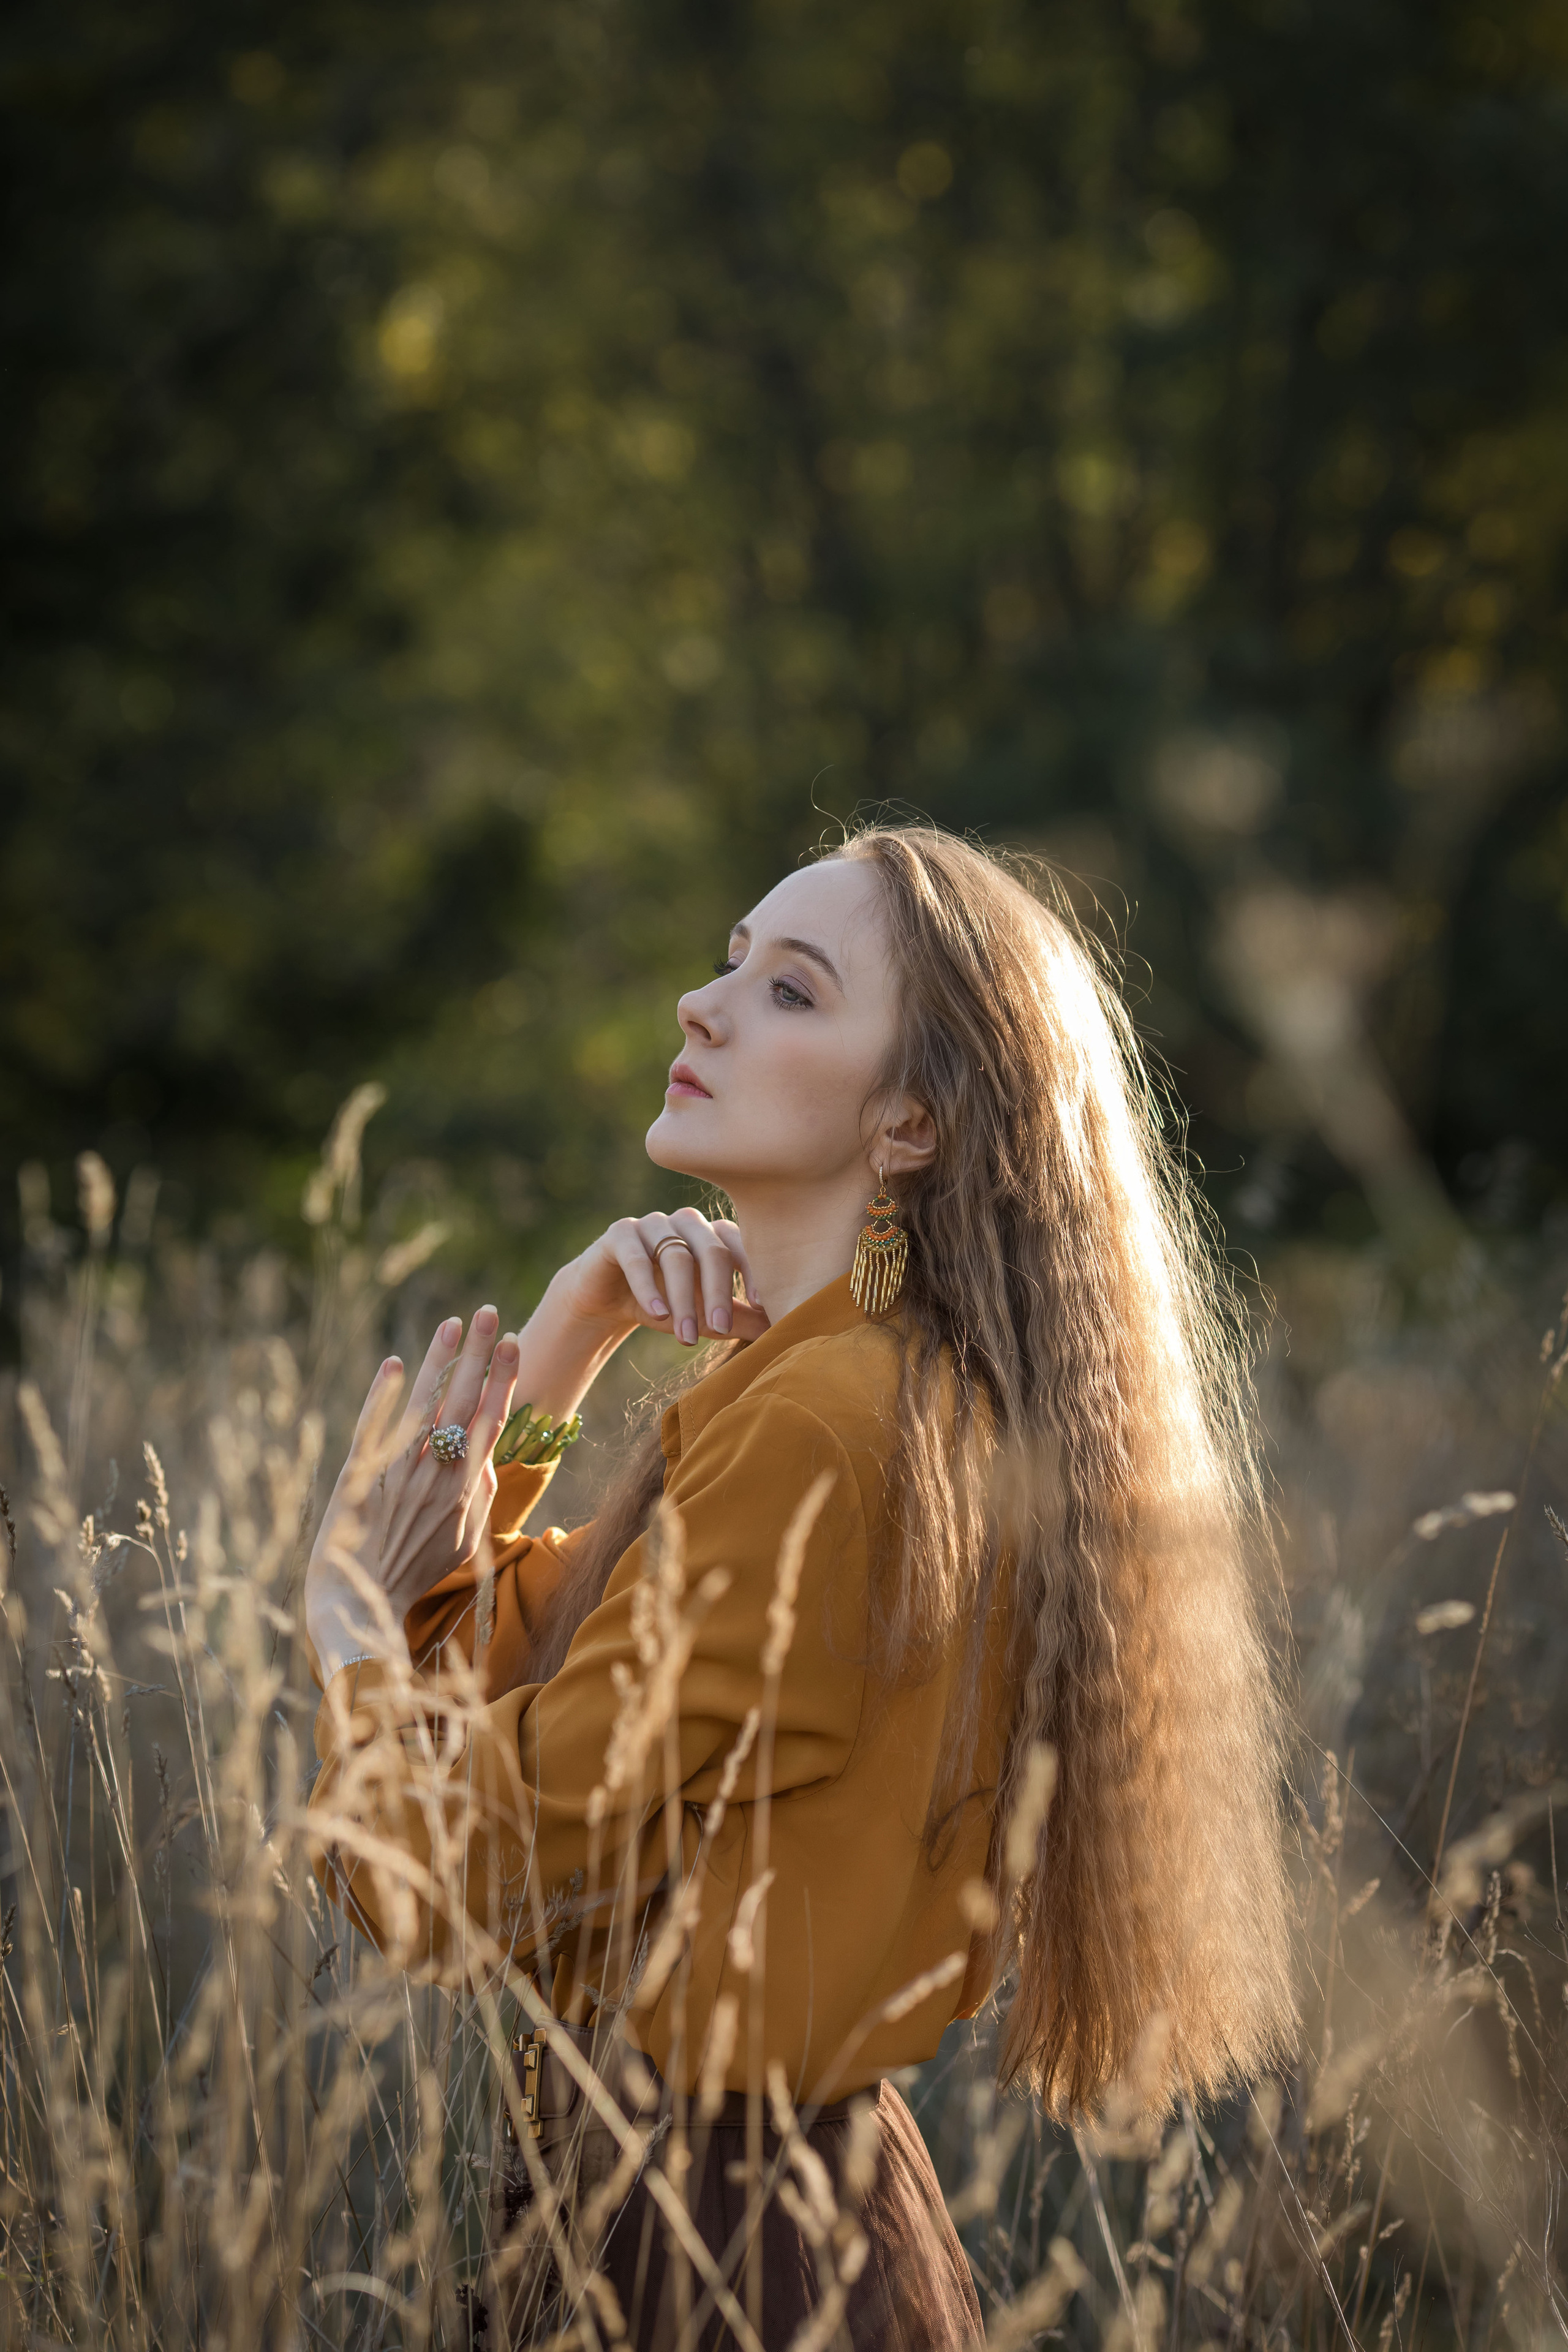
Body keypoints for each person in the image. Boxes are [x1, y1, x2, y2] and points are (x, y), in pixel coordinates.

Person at [303, 824, 1295, 2349]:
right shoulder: (841, 1394)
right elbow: (523, 1690)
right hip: (731, 2205)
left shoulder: (829, 1430)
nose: (704, 1008)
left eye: (788, 991)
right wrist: (571, 1336)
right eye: (726, 965)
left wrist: (350, 1645)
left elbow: (451, 1871)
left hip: (720, 2244)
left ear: (907, 1121)